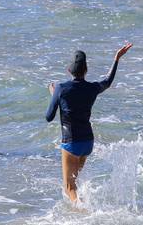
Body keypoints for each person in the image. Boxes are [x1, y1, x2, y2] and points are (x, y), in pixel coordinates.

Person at [46, 43, 133, 203]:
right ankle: (84, 206)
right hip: (87, 143)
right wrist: (116, 59)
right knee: (75, 183)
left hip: (71, 143)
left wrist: (53, 95)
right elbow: (107, 81)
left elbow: (49, 117)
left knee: (69, 187)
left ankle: (85, 215)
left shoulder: (60, 88)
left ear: (68, 70)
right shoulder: (92, 88)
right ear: (86, 70)